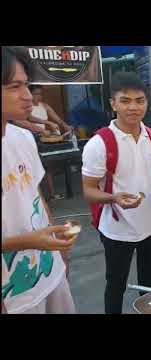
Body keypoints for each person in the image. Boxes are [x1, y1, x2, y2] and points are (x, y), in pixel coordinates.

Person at [82, 72, 151, 314]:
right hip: (117, 228)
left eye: (140, 100)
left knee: (149, 282)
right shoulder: (99, 143)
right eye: (125, 101)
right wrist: (113, 198)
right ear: (113, 103)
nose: (133, 107)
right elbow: (89, 190)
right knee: (116, 285)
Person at [2, 46, 77, 314]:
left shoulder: (21, 138)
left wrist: (58, 251)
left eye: (26, 85)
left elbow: (37, 196)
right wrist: (31, 241)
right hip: (12, 295)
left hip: (48, 271)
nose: (26, 96)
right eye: (14, 86)